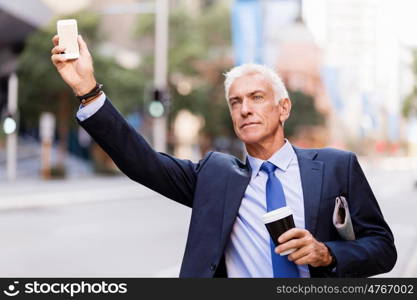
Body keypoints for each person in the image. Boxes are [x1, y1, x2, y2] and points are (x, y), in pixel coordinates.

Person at [51, 35, 396, 278]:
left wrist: (328, 254)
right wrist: (87, 90)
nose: (245, 109)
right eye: (236, 102)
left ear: (283, 107)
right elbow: (141, 161)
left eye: (257, 97)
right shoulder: (215, 175)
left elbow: (382, 248)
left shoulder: (337, 166)